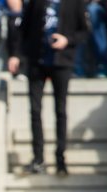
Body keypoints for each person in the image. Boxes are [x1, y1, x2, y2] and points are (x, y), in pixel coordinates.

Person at [7, 0, 86, 176]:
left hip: (62, 62)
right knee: (35, 111)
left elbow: (84, 31)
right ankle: (38, 159)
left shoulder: (75, 3)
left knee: (60, 110)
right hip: (37, 62)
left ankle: (60, 160)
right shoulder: (37, 2)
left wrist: (68, 39)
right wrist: (15, 55)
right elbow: (24, 28)